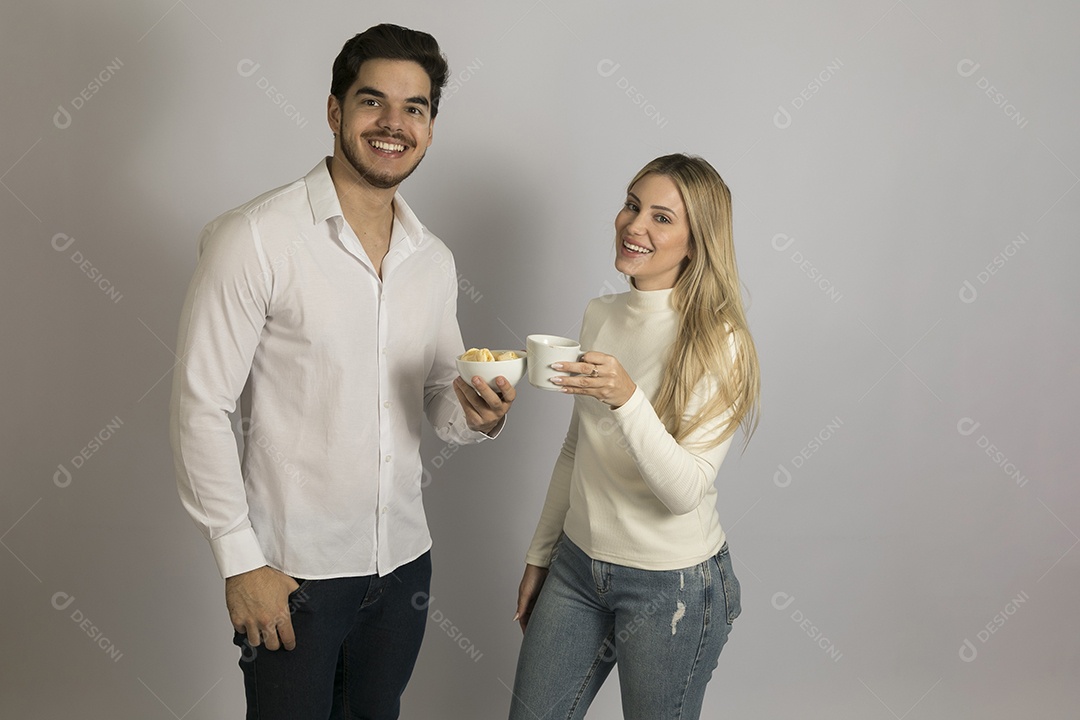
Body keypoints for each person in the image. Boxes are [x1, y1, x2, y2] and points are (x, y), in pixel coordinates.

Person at [169, 24, 514, 720]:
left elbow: (438, 394)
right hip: (291, 572)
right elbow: (200, 405)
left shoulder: (432, 260)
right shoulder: (255, 237)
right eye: (372, 101)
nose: (393, 123)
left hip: (404, 566)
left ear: (430, 128)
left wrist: (479, 415)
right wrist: (241, 561)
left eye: (414, 108)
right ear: (335, 110)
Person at [508, 154, 760, 719]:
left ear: (697, 242)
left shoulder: (720, 340)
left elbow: (684, 492)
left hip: (671, 585)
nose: (634, 224)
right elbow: (577, 448)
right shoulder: (601, 314)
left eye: (662, 218)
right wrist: (540, 555)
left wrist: (627, 398)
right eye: (631, 205)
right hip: (577, 566)